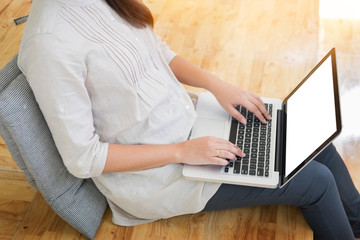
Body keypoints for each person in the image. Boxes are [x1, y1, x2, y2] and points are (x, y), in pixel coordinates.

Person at [18, 0, 360, 239]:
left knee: (312, 138)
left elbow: (158, 51)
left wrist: (216, 84)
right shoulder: (48, 43)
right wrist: (183, 151)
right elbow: (84, 158)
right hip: (160, 174)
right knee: (317, 182)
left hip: (192, 122)